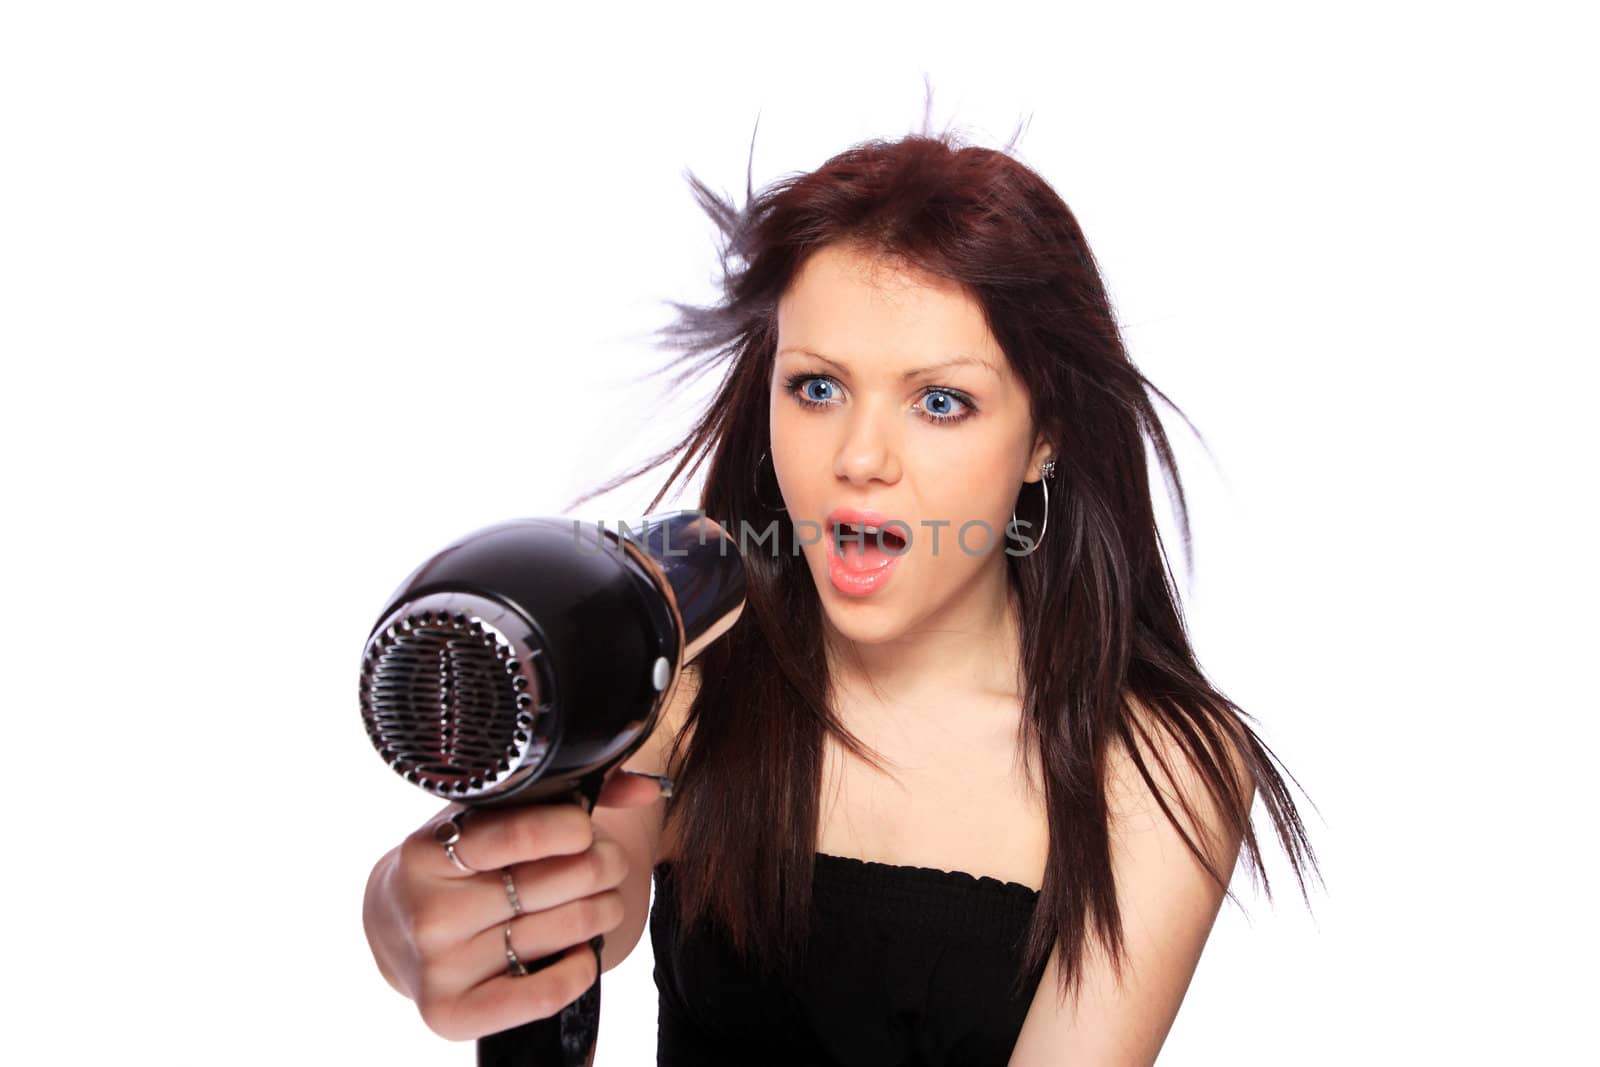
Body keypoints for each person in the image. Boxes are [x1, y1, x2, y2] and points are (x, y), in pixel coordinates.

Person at [362, 127, 1321, 1066]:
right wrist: (438, 916)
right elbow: (590, 886)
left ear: (1046, 437)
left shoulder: (1150, 768)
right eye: (818, 388)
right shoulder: (694, 677)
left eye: (940, 400)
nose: (859, 459)